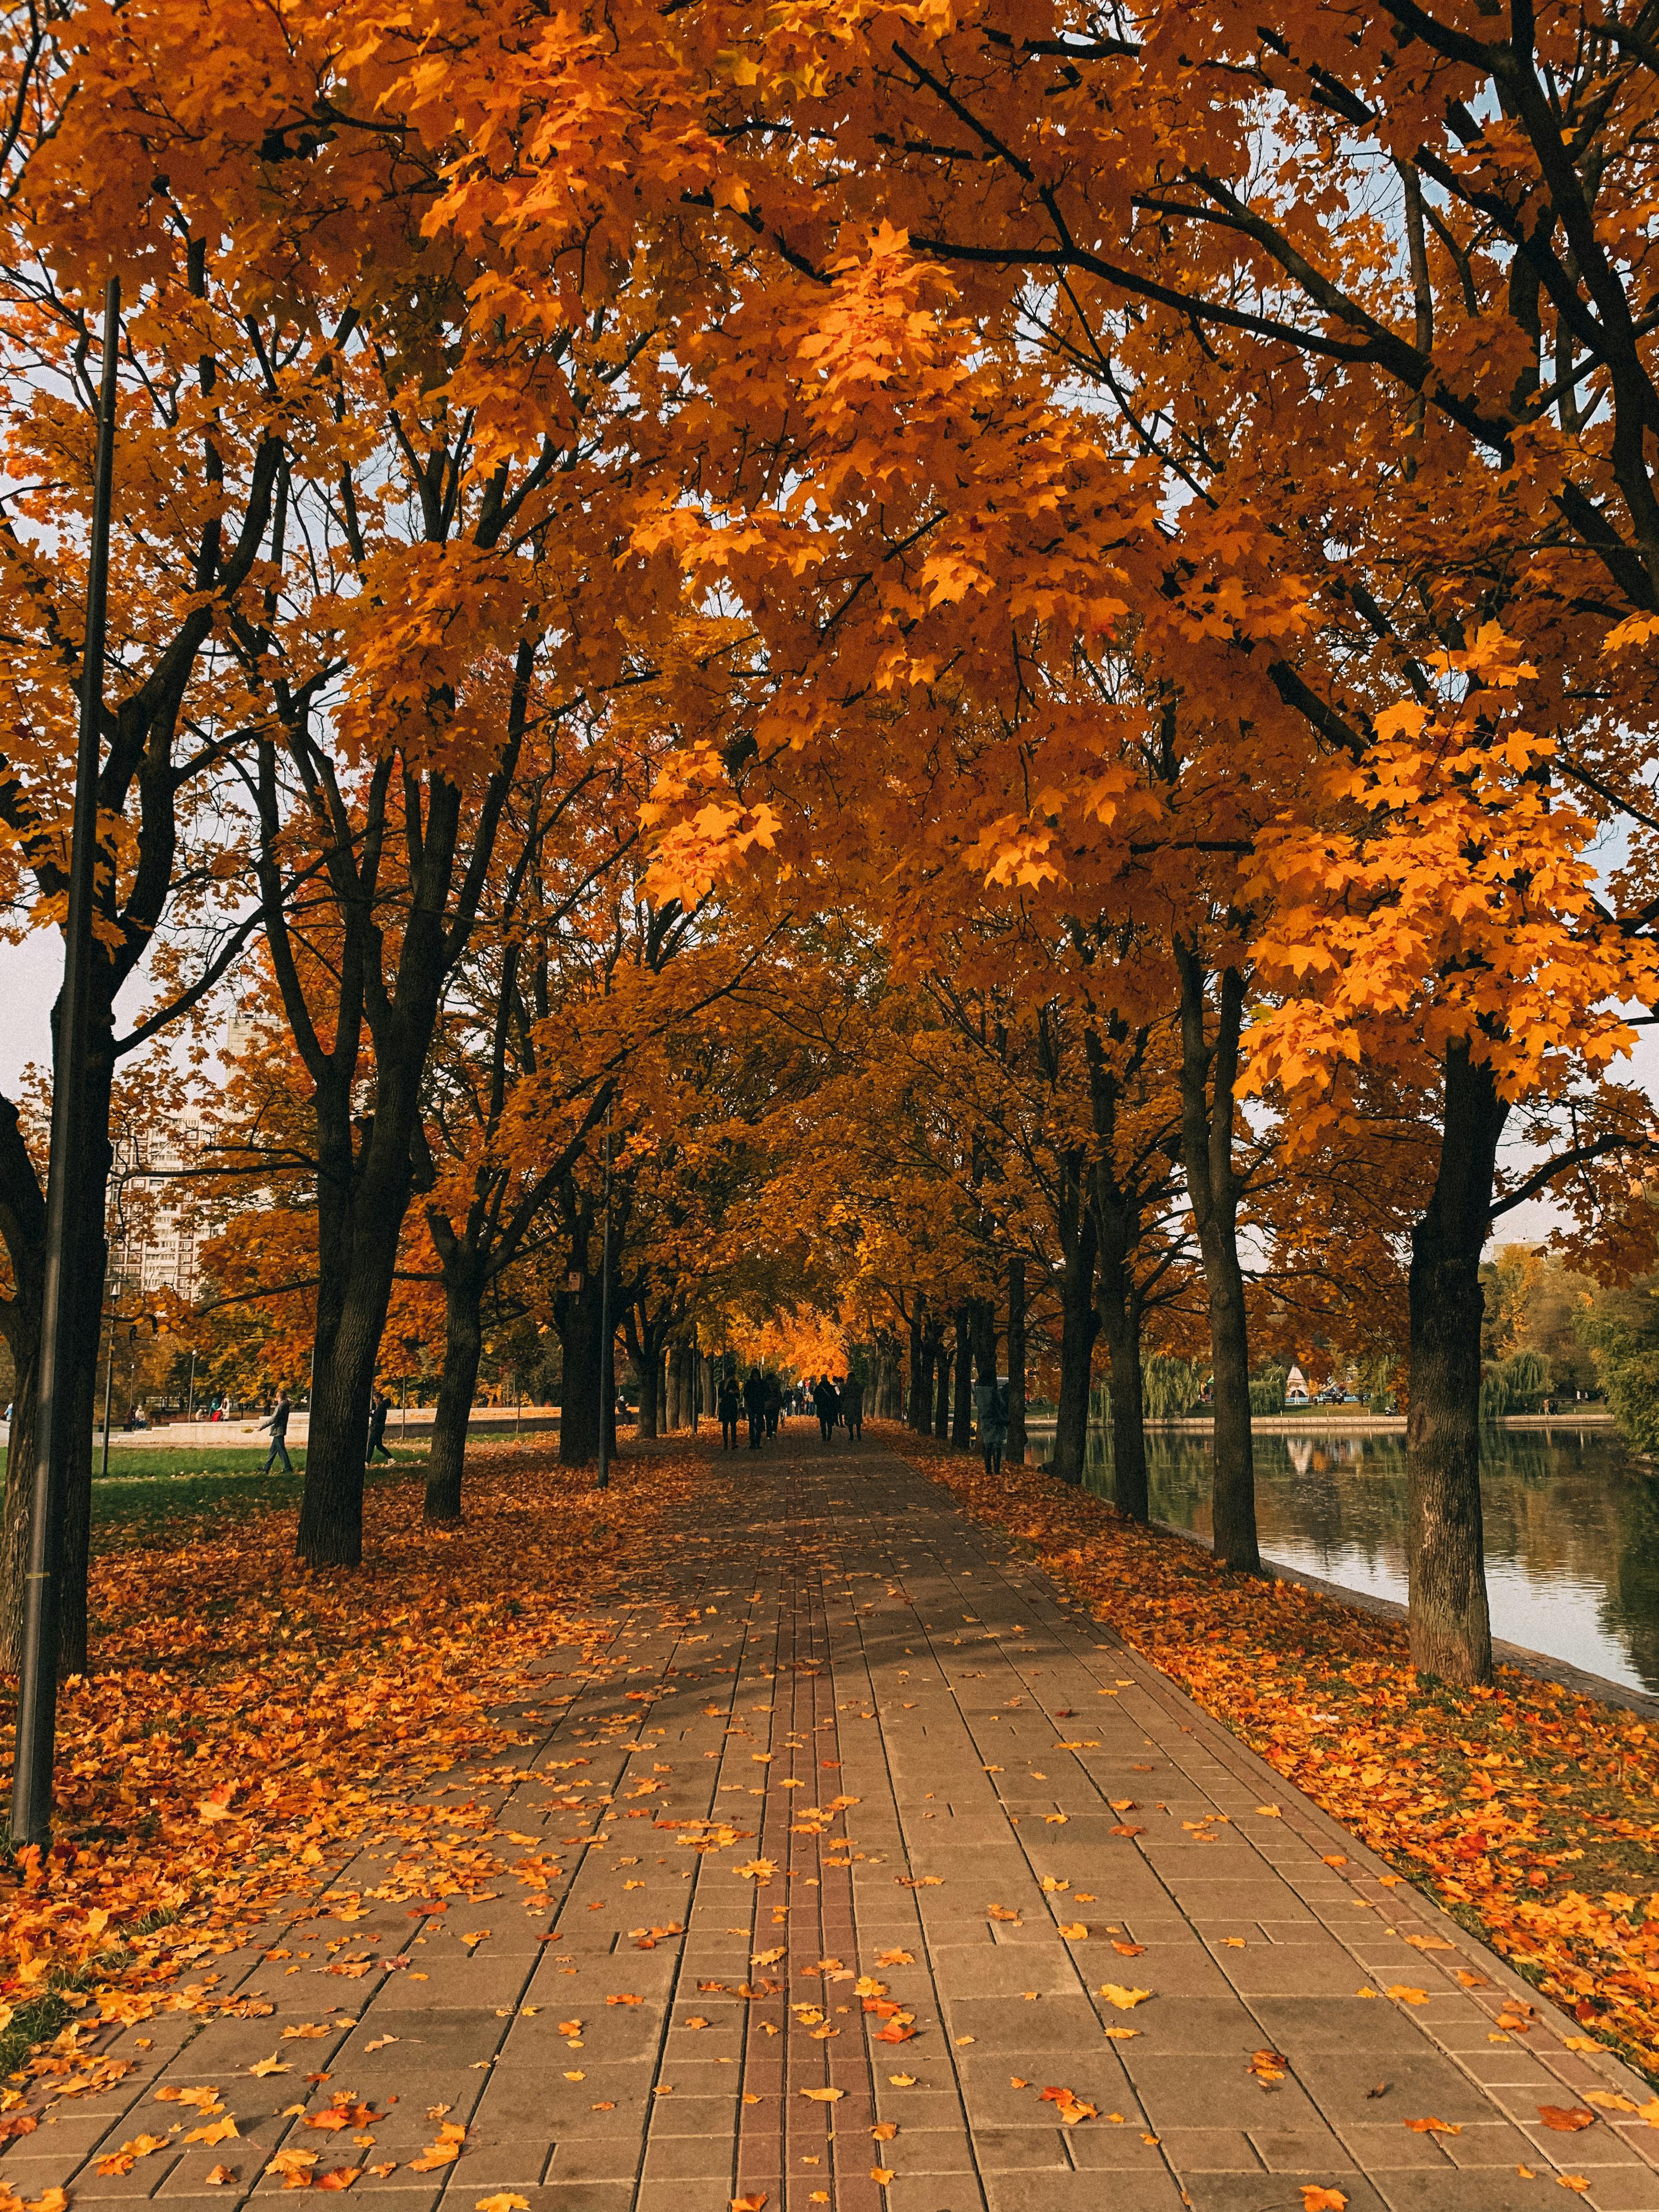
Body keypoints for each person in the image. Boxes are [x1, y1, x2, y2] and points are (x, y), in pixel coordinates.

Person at [974, 1371, 1010, 1476]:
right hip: (996, 1419)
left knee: (988, 1445)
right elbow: (1000, 1403)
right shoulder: (993, 1390)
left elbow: (976, 1402)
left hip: (985, 1419)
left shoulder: (978, 1390)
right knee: (998, 1446)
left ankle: (988, 1470)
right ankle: (997, 1470)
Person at [261, 1389, 294, 1476]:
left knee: (282, 1451)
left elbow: (274, 1419)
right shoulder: (285, 1405)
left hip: (278, 1430)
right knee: (273, 1451)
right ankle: (266, 1468)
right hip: (280, 1430)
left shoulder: (280, 1406)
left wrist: (262, 1427)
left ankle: (288, 1468)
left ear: (278, 1397)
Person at [742, 1366, 768, 1451]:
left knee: (759, 1425)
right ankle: (753, 1442)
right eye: (754, 1376)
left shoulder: (762, 1384)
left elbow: (767, 1393)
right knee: (752, 1424)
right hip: (752, 1406)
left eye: (757, 1376)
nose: (756, 1378)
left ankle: (758, 1441)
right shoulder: (749, 1384)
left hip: (759, 1406)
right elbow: (745, 1394)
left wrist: (763, 1399)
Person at [365, 1387, 392, 1464]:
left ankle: (367, 1462)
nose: (374, 1401)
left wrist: (370, 1414)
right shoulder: (382, 1407)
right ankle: (391, 1458)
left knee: (371, 1445)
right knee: (379, 1446)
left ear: (379, 1399)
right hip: (379, 1429)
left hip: (376, 1429)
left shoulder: (381, 1408)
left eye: (375, 1399)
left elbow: (377, 1418)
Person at [812, 1372, 840, 1443]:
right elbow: (835, 1397)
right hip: (830, 1407)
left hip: (821, 1407)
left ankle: (824, 1435)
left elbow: (815, 1398)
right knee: (829, 1422)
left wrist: (818, 1404)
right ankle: (829, 1435)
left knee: (823, 1422)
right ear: (827, 1379)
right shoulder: (831, 1388)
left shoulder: (818, 1388)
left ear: (821, 1379)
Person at [718, 1373, 742, 1450]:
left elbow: (738, 1396)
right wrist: (728, 1392)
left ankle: (732, 1443)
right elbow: (720, 1395)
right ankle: (728, 1443)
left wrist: (735, 1392)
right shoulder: (723, 1384)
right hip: (727, 1405)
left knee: (731, 1425)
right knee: (727, 1425)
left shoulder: (733, 1384)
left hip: (730, 1406)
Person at [842, 1374, 865, 1442]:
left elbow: (842, 1395)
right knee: (858, 1420)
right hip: (857, 1404)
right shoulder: (858, 1385)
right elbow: (862, 1390)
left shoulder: (846, 1386)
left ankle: (851, 1435)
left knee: (849, 1420)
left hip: (848, 1404)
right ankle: (858, 1433)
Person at [762, 1369, 783, 1438]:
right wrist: (782, 1403)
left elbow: (763, 1396)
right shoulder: (776, 1386)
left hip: (767, 1405)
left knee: (768, 1420)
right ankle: (774, 1430)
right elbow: (779, 1395)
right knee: (775, 1419)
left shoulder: (765, 1386)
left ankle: (769, 1434)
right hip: (775, 1405)